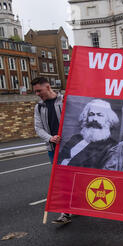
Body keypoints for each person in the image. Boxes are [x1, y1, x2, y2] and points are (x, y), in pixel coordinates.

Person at [32, 77, 71, 225]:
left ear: (48, 87)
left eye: (39, 90)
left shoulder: (65, 101)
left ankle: (79, 205)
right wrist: (50, 138)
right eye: (35, 91)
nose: (37, 94)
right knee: (61, 180)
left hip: (69, 147)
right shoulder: (39, 107)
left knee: (74, 178)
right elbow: (38, 128)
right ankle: (65, 212)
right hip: (53, 148)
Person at [58, 99, 119, 169]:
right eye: (91, 114)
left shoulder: (112, 147)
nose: (94, 119)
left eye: (100, 115)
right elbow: (59, 159)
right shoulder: (75, 138)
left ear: (108, 119)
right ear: (86, 118)